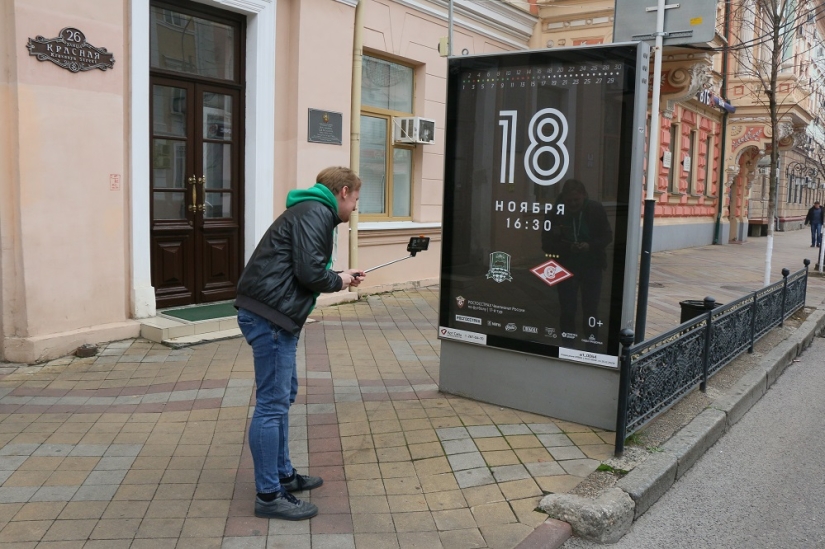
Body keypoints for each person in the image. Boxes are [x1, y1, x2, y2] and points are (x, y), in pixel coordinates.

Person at [234, 166, 365, 520]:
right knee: (272, 405)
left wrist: (339, 277)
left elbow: (304, 267)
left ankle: (283, 475)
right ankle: (268, 495)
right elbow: (309, 272)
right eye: (355, 199)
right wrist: (338, 281)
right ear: (342, 192)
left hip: (272, 315)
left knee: (282, 396)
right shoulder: (316, 213)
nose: (354, 207)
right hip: (272, 317)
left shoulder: (309, 210)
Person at [542, 179, 613, 341]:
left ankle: (591, 341)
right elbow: (546, 244)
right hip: (565, 266)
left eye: (577, 200)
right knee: (567, 308)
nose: (573, 204)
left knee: (591, 308)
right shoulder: (554, 213)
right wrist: (568, 248)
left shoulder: (595, 209)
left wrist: (590, 245)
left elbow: (607, 236)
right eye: (569, 201)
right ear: (563, 198)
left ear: (584, 196)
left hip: (592, 265)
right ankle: (567, 341)